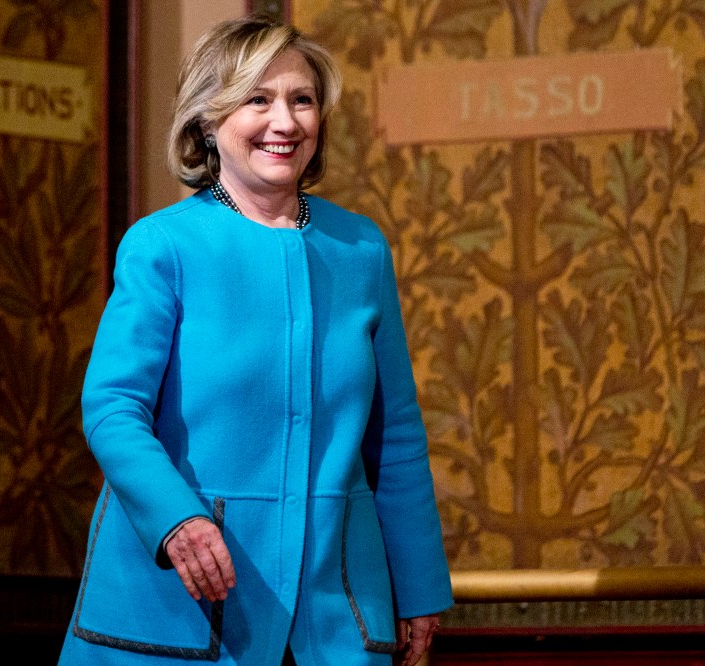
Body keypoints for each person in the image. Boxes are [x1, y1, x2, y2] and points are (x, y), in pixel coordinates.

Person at [58, 14, 453, 666]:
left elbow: (397, 436)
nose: (286, 121)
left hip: (337, 608)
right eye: (257, 99)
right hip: (179, 601)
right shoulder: (163, 247)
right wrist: (177, 520)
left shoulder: (360, 249)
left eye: (301, 99)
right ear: (209, 121)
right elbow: (112, 408)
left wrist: (417, 588)